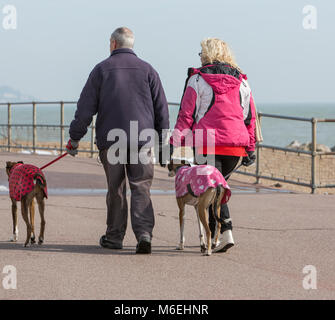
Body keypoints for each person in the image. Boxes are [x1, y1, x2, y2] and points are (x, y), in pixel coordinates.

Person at [67, 27, 169, 254]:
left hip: (111, 141)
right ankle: (144, 234)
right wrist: (163, 144)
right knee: (141, 186)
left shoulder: (102, 69)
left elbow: (85, 109)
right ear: (131, 44)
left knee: (116, 188)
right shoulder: (148, 70)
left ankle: (114, 237)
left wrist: (74, 138)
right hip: (142, 139)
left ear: (113, 43)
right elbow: (161, 109)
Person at [171, 38, 257, 253]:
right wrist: (251, 147)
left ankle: (222, 233)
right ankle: (216, 235)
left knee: (211, 190)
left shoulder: (197, 80)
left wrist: (174, 145)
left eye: (201, 52)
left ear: (207, 54)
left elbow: (185, 116)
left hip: (206, 145)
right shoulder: (243, 82)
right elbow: (250, 118)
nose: (199, 56)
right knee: (217, 188)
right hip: (235, 147)